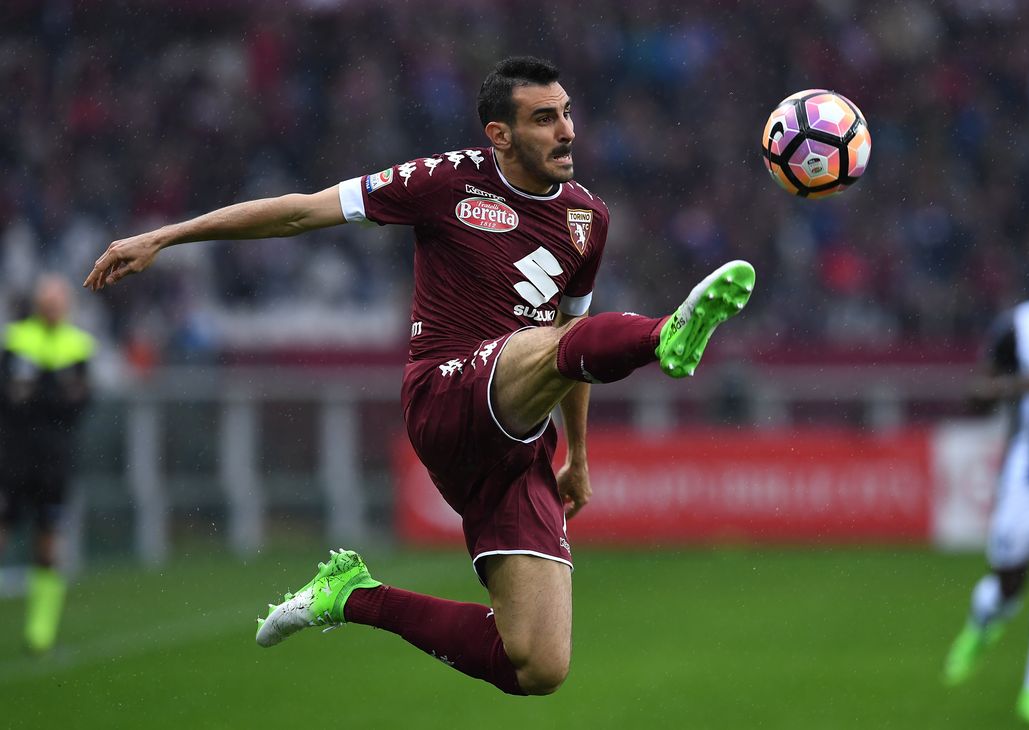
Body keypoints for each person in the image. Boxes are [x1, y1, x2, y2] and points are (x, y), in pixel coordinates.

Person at [84, 56, 755, 695]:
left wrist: (577, 456)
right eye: (544, 118)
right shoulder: (442, 181)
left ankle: (352, 595)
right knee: (545, 342)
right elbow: (299, 210)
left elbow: (575, 346)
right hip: (446, 393)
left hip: (518, 441)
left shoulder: (589, 219)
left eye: (567, 113)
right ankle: (665, 334)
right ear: (500, 134)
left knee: (537, 662)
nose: (567, 130)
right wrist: (165, 237)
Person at [943, 244, 1029, 727]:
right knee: (1009, 583)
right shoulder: (1018, 327)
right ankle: (983, 625)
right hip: (1025, 479)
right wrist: (1015, 387)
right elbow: (975, 395)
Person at [0, 274, 95, 652]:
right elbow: (9, 398)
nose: (52, 308)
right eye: (47, 301)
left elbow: (79, 404)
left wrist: (35, 392)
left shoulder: (79, 345)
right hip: (12, 458)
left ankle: (41, 630)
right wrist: (53, 392)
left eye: (58, 302)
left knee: (48, 540)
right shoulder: (16, 339)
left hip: (54, 462)